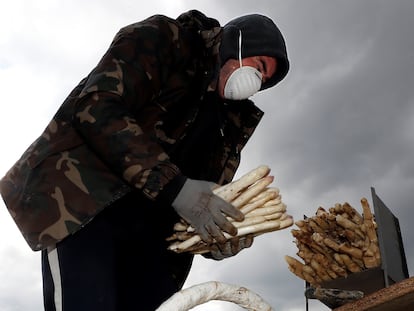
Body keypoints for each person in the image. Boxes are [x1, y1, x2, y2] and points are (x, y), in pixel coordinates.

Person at [0, 9, 289, 311]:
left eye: (264, 80)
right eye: (258, 65)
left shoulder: (230, 123)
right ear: (236, 43)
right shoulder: (166, 40)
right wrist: (175, 188)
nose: (256, 81)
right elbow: (97, 106)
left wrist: (220, 239)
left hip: (155, 244)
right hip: (87, 207)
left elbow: (204, 200)